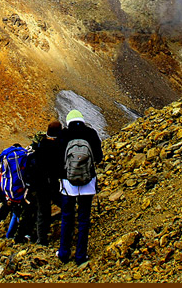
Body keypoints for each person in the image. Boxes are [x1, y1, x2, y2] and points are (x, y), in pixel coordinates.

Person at [56, 110, 103, 265]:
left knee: (67, 217)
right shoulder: (91, 133)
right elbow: (98, 157)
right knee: (83, 219)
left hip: (67, 184)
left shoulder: (63, 135)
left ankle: (63, 253)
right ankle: (80, 256)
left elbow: (59, 160)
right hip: (87, 182)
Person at [28, 121, 62, 246]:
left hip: (39, 184)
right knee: (63, 204)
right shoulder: (58, 147)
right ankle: (67, 231)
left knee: (43, 211)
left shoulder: (40, 147)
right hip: (53, 183)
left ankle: (41, 239)